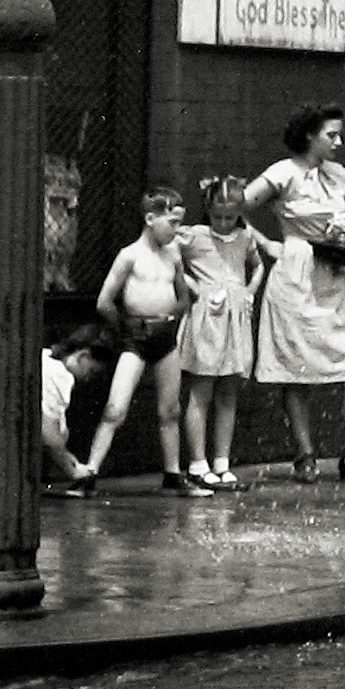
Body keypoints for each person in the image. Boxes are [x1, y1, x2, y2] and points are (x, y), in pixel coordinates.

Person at [243, 103, 345, 483]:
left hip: (336, 273)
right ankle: (304, 454)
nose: (339, 142)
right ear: (309, 136)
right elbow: (234, 205)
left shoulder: (343, 178)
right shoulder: (283, 173)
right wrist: (267, 244)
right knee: (296, 367)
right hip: (297, 273)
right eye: (330, 135)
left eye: (339, 134)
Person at [86, 185, 199, 493]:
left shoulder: (173, 255)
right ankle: (89, 471)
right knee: (115, 408)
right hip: (134, 339)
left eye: (179, 223)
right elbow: (104, 301)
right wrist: (126, 328)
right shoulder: (130, 256)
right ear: (150, 219)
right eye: (171, 223)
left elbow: (184, 299)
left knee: (170, 410)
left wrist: (170, 317)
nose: (176, 230)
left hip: (165, 338)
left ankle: (172, 472)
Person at [177, 175, 275, 492]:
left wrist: (250, 292)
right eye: (217, 216)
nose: (222, 222)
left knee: (228, 392)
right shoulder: (194, 236)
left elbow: (258, 266)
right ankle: (197, 463)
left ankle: (222, 462)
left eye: (229, 217)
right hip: (207, 319)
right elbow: (168, 259)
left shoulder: (244, 238)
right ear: (208, 211)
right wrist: (193, 287)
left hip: (236, 319)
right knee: (201, 390)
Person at [0, 325, 111, 493]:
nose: (88, 378)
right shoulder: (59, 375)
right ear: (83, 356)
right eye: (91, 371)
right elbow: (49, 434)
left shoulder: (43, 356)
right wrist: (73, 470)